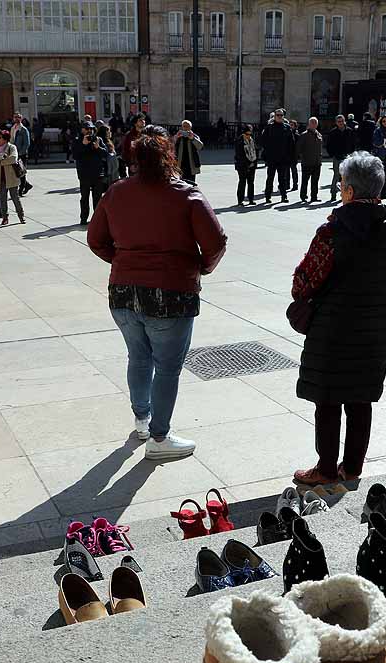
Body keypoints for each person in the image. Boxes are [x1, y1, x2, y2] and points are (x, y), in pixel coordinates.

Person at [86, 126, 228, 460]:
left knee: (138, 356)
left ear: (134, 159)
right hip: (171, 293)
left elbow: (95, 240)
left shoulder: (116, 192)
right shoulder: (186, 194)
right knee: (166, 367)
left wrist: (122, 261)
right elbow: (216, 243)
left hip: (123, 292)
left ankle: (142, 420)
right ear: (169, 157)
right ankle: (159, 438)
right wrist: (199, 268)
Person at [290, 151, 386, 484]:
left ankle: (326, 469)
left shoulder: (332, 232)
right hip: (373, 326)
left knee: (328, 399)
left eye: (342, 184)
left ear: (350, 192)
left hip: (332, 328)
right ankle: (352, 467)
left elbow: (304, 283)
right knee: (360, 397)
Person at [76, 120, 114, 224]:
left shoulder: (98, 139)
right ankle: (83, 218)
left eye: (91, 129)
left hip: (98, 174)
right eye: (87, 129)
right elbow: (75, 155)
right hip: (84, 174)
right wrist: (83, 145)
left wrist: (98, 147)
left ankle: (97, 219)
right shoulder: (78, 140)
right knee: (84, 197)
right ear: (82, 130)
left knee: (97, 198)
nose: (89, 131)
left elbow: (105, 154)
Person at [0, 128, 25, 225]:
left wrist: (0, 162)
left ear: (5, 139)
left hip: (11, 177)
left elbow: (13, 158)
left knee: (15, 198)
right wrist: (2, 156)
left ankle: (21, 216)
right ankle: (5, 218)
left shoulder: (11, 147)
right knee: (2, 199)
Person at [260, 109, 294, 203]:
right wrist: (267, 153)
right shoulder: (269, 127)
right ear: (274, 116)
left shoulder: (287, 127)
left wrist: (290, 156)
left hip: (283, 158)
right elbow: (263, 141)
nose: (279, 117)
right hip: (272, 158)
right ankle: (267, 196)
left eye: (281, 115)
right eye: (278, 115)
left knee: (282, 178)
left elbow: (291, 143)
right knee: (270, 177)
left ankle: (284, 196)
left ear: (283, 116)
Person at [325, 114, 356, 202]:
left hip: (347, 157)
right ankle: (333, 194)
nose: (341, 123)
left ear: (344, 121)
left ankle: (345, 195)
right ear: (336, 123)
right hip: (337, 157)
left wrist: (352, 153)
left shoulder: (349, 131)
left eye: (342, 121)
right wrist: (332, 154)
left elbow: (354, 143)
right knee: (336, 175)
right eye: (339, 122)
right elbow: (328, 145)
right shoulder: (333, 132)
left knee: (346, 177)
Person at [296, 116, 323, 202]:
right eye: (312, 122)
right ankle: (303, 196)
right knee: (305, 181)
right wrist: (302, 156)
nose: (314, 124)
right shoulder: (304, 135)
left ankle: (314, 197)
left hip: (317, 162)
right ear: (309, 124)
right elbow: (298, 148)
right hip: (307, 162)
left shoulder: (319, 135)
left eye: (315, 123)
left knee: (315, 181)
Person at [172, 119, 204, 185]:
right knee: (182, 183)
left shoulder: (194, 136)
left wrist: (192, 139)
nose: (185, 128)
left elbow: (200, 147)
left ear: (190, 127)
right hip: (181, 164)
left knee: (191, 183)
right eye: (184, 126)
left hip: (191, 164)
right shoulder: (179, 137)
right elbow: (170, 146)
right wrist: (176, 137)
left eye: (187, 126)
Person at [371, 116, 386, 197]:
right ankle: (379, 191)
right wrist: (383, 142)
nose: (385, 123)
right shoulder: (377, 131)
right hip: (379, 154)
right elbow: (375, 141)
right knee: (379, 173)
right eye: (383, 121)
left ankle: (385, 192)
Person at [10, 114, 33, 195]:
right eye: (15, 117)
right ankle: (27, 185)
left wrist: (21, 152)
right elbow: (11, 140)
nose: (17, 119)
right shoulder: (13, 128)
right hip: (14, 153)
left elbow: (27, 143)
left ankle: (21, 189)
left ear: (21, 118)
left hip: (21, 154)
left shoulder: (23, 129)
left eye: (18, 117)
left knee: (21, 171)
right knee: (17, 171)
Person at [234, 123, 257, 205]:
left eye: (250, 134)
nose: (249, 136)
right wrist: (247, 164)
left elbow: (254, 151)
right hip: (242, 165)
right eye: (247, 134)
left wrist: (254, 163)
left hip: (252, 164)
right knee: (242, 182)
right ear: (244, 133)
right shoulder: (239, 141)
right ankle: (240, 200)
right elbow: (239, 155)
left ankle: (251, 199)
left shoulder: (252, 140)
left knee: (251, 182)